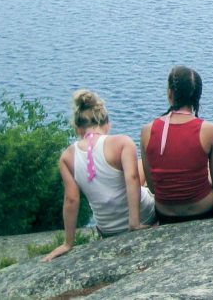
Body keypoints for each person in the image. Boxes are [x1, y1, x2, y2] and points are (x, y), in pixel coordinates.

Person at [43, 90, 155, 261]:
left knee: (136, 167)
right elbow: (131, 179)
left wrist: (68, 243)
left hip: (108, 228)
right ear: (106, 123)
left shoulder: (67, 157)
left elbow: (71, 200)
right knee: (142, 167)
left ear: (78, 128)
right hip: (145, 215)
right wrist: (134, 224)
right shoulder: (122, 143)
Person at [140, 66, 213, 224]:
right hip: (205, 211)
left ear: (169, 93)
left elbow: (152, 187)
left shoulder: (147, 131)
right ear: (197, 97)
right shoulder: (211, 131)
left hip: (165, 213)